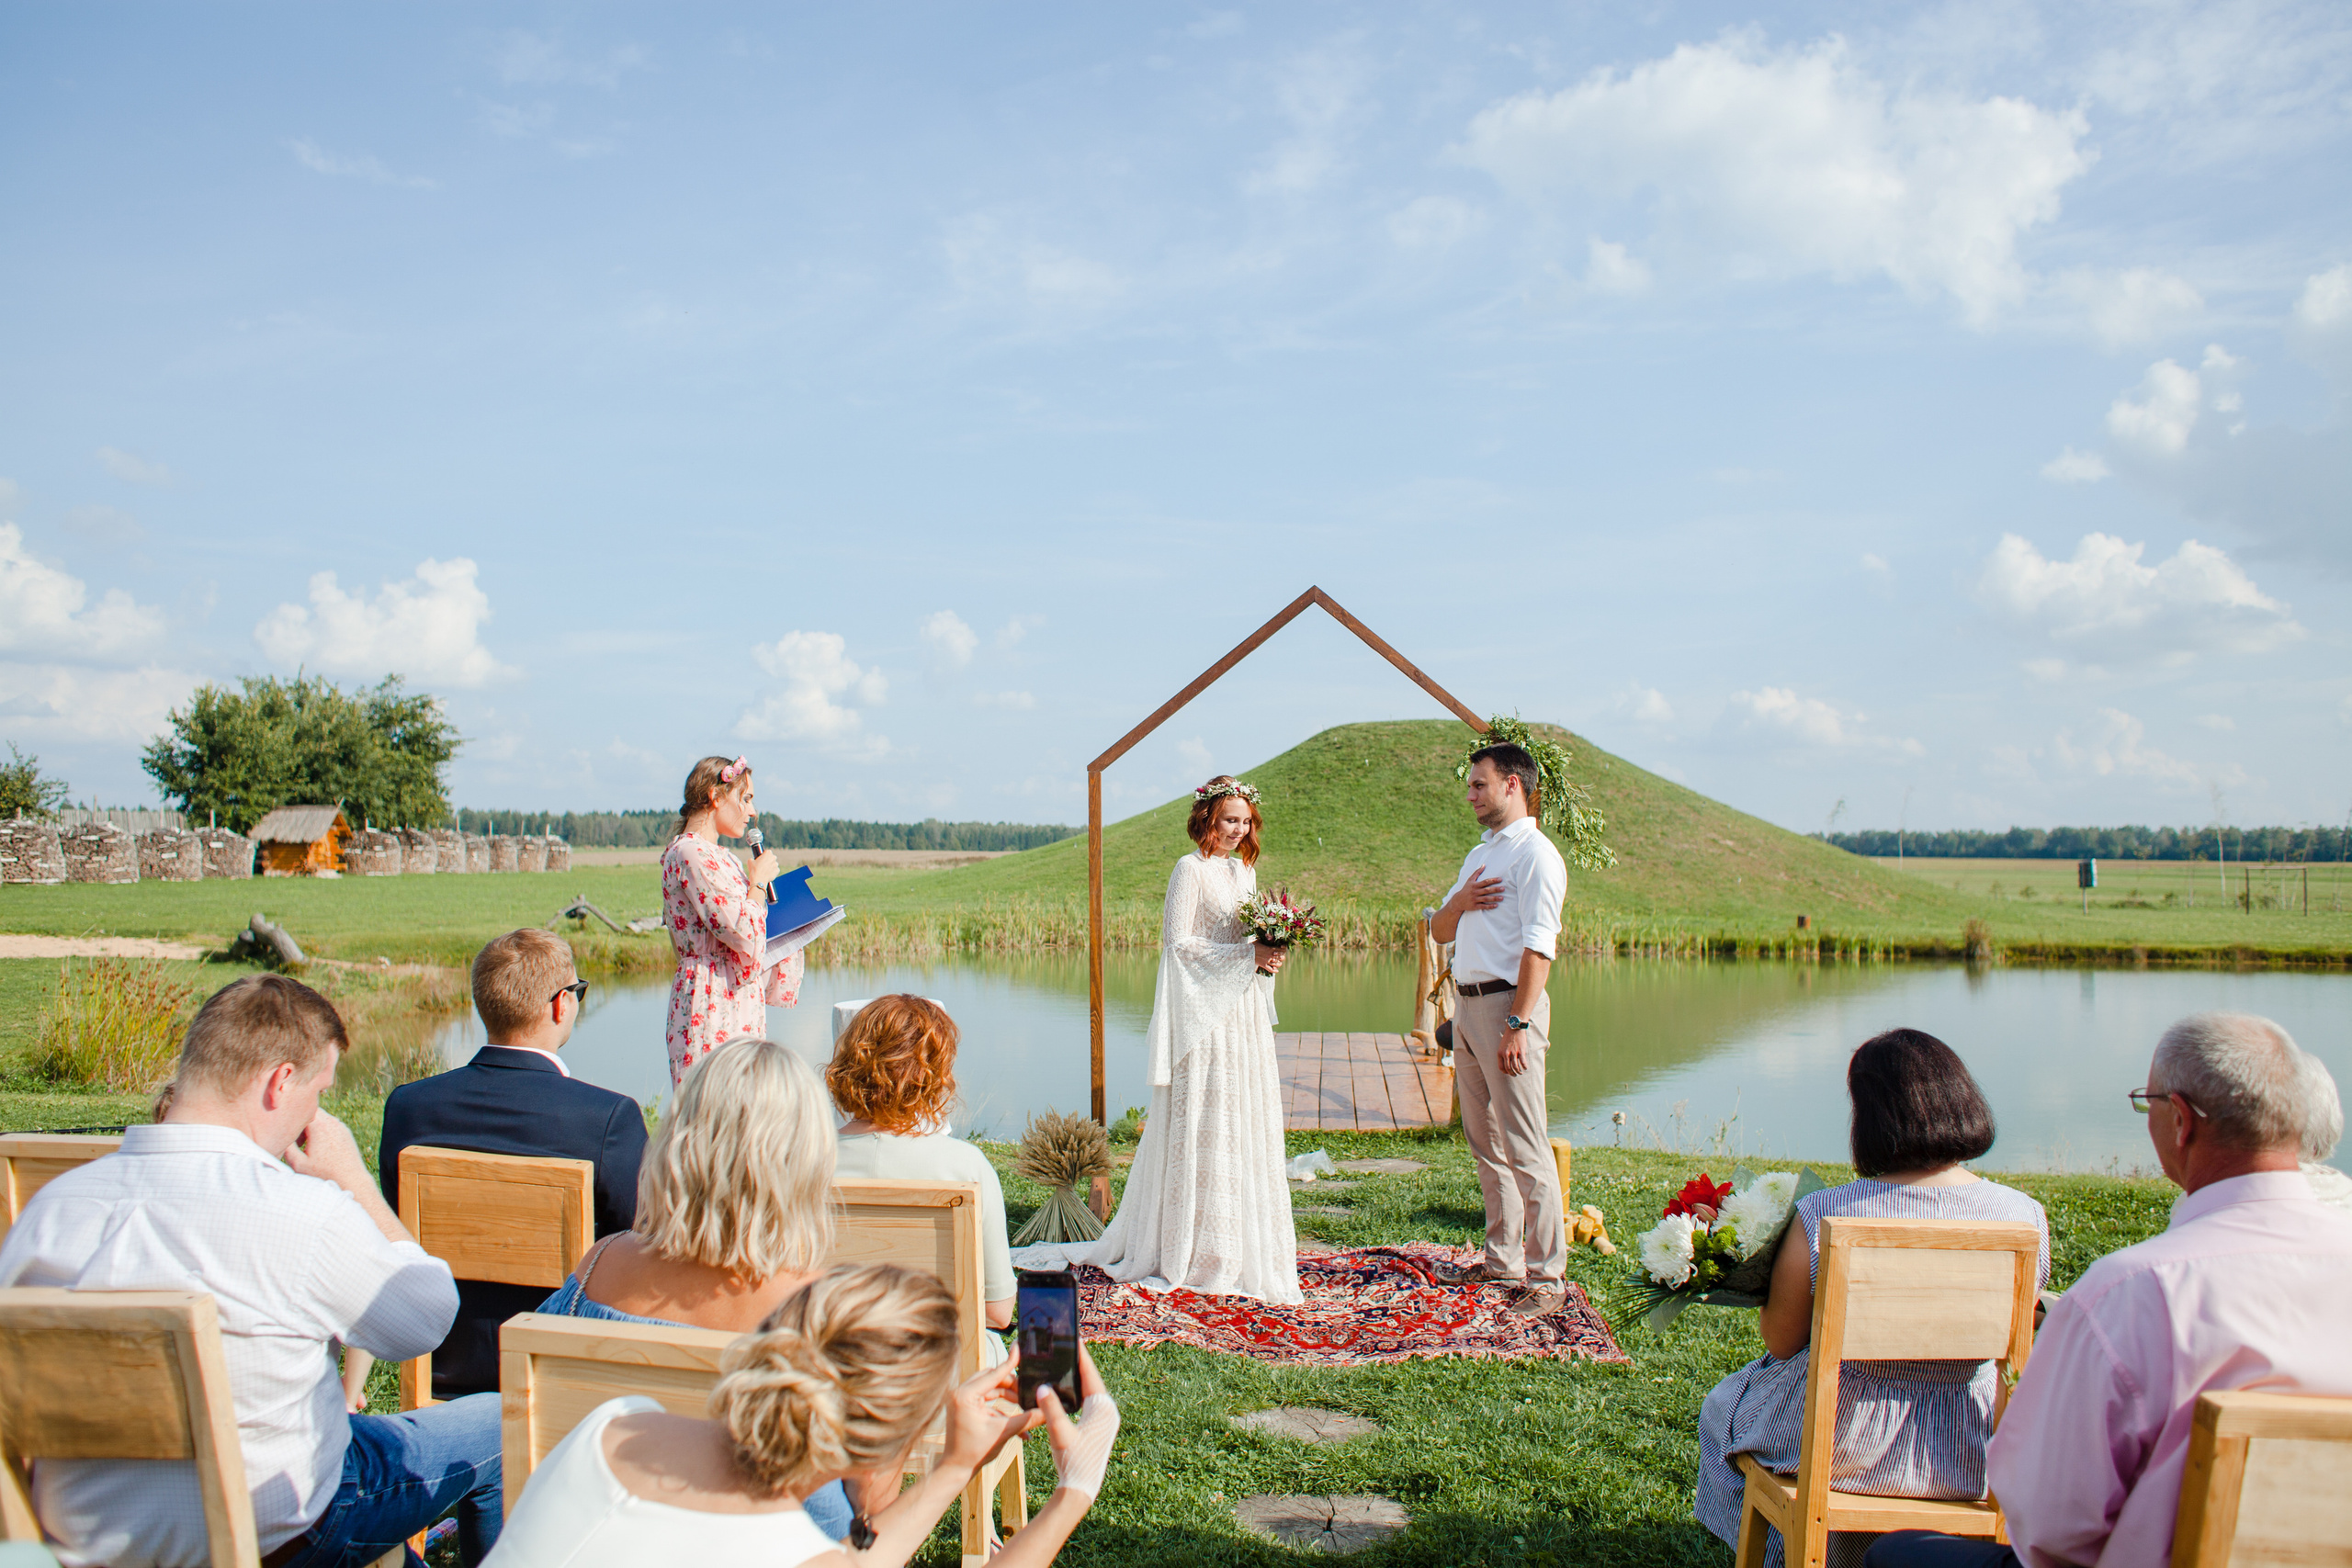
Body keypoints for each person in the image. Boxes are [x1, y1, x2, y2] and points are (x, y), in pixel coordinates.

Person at [0, 974, 503, 1566]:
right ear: (280, 1082)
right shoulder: (301, 1213)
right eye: (320, 1092)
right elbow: (424, 1321)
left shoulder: (50, 1210)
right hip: (276, 1534)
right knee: (497, 1424)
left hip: (86, 1538)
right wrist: (351, 1179)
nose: (316, 1112)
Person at [1868, 1013, 2352, 1568]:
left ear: (2181, 1122)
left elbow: (2048, 1524)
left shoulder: (2131, 1294)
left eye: (2148, 1103)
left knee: (1896, 1555)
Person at [487, 1263, 1121, 1567]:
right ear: (884, 1450)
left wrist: (956, 1466)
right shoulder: (795, 1556)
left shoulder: (616, 1425)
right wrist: (1074, 1489)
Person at [1692, 1029, 2050, 1568]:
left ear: (1871, 1115)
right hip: (1968, 1451)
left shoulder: (1827, 1212)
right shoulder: (2022, 1216)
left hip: (1842, 1449)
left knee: (1724, 1404)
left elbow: (1782, 1342)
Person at [537, 1036, 857, 1539]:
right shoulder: (817, 1306)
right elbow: (856, 1493)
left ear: (678, 1141)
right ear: (805, 1160)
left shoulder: (600, 1263)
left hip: (605, 1532)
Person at [374, 928, 650, 1401]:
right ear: (561, 1004)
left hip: (444, 1369)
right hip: (560, 1378)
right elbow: (646, 1243)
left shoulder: (408, 1107)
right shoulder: (606, 1119)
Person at [1079, 775, 1300, 1303]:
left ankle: (1237, 1245)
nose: (1238, 829)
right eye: (1229, 820)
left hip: (1241, 1009)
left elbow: (1245, 937)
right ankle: (1188, 1243)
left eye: (1245, 821)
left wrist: (1268, 949)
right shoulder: (1189, 869)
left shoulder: (1245, 871)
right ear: (1207, 819)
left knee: (1241, 1114)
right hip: (1205, 1015)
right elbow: (1178, 944)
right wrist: (1246, 954)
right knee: (1205, 1114)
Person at [1429, 741, 1571, 1314]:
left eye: (1478, 785)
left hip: (1508, 1009)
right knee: (1485, 1142)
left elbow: (1540, 948)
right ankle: (1501, 1261)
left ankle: (1547, 1279)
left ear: (1513, 784)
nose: (1470, 795)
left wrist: (1518, 1024)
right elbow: (1439, 929)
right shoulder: (1479, 855)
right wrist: (1463, 899)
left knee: (1525, 1145)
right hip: (1466, 1009)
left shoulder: (1537, 856)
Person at [828, 995, 1016, 1337]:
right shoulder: (966, 1166)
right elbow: (998, 1311)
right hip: (940, 1360)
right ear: (935, 1075)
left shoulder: (802, 1164)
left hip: (829, 1358)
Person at [665, 753, 802, 1088]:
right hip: (711, 999)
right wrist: (758, 883)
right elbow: (741, 932)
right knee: (714, 1103)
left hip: (737, 997)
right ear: (716, 796)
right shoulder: (690, 853)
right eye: (746, 798)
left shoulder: (723, 857)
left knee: (746, 1105)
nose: (752, 812)